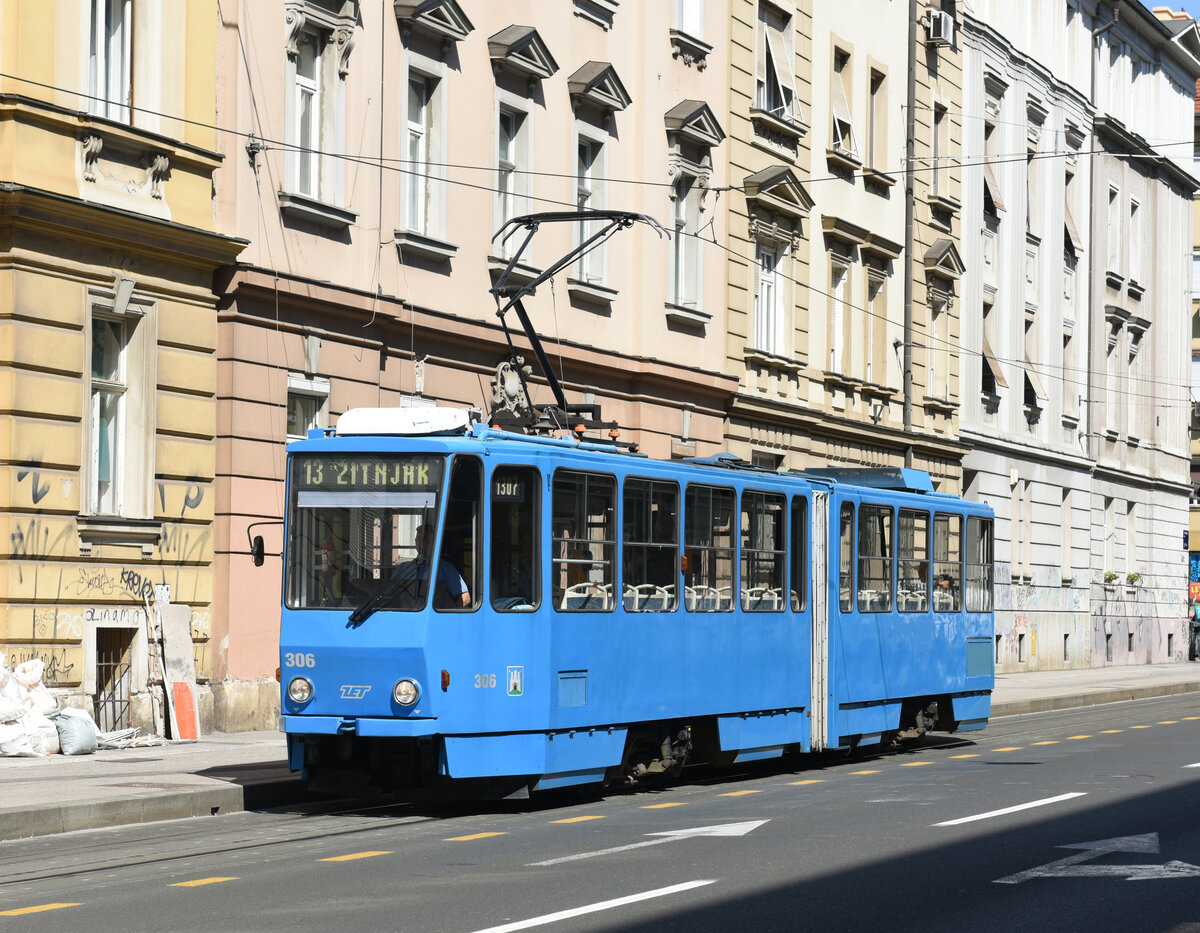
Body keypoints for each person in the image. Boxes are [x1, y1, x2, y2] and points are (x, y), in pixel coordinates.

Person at [395, 523, 469, 608]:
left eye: (426, 539)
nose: (422, 542)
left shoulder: (445, 568)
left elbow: (465, 598)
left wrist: (447, 614)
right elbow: (391, 595)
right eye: (419, 538)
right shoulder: (403, 568)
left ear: (434, 543)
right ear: (415, 541)